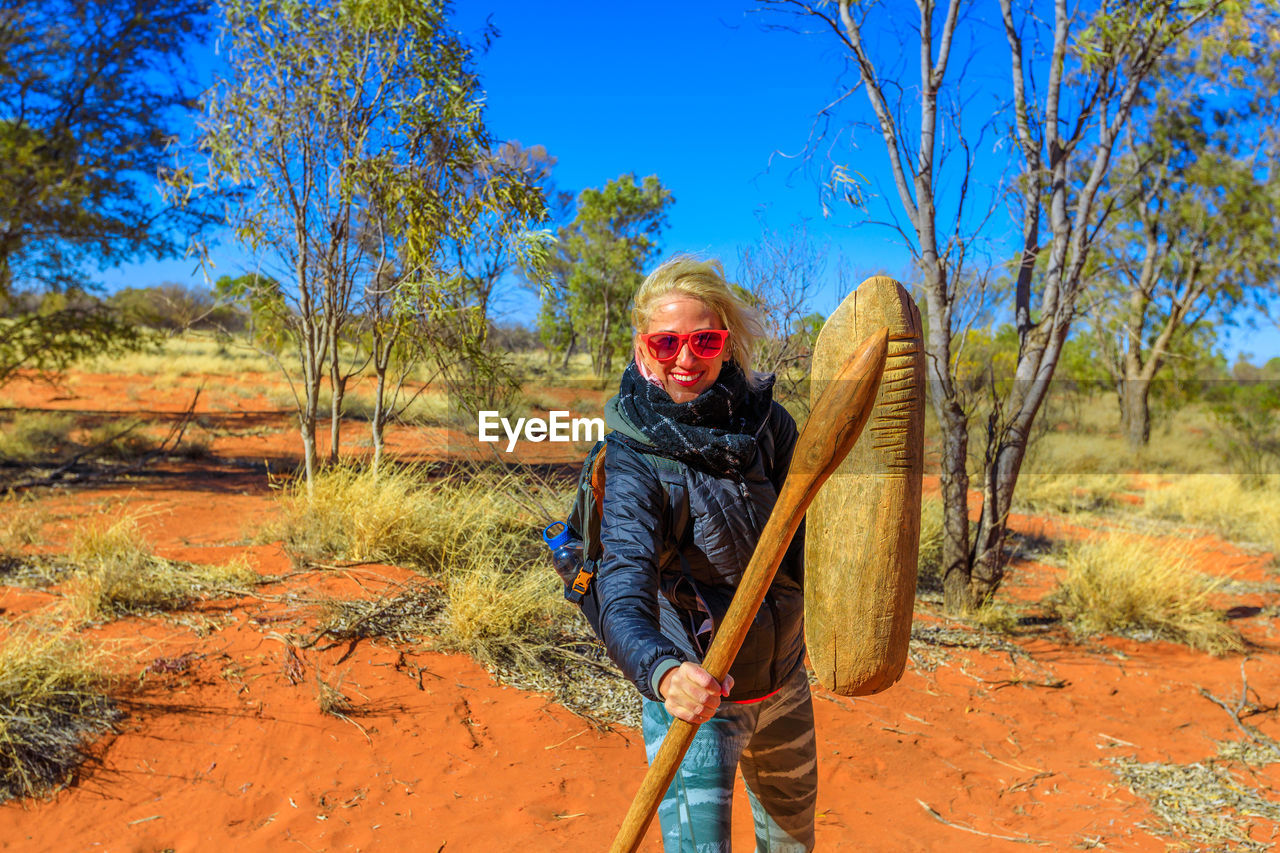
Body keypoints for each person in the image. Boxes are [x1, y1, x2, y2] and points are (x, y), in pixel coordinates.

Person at [594, 255, 816, 851]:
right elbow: (621, 583)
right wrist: (665, 675)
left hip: (785, 681)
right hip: (698, 700)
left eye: (704, 339)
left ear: (727, 342)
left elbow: (812, 538)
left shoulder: (769, 424)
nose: (686, 359)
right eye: (666, 344)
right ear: (644, 350)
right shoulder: (632, 455)